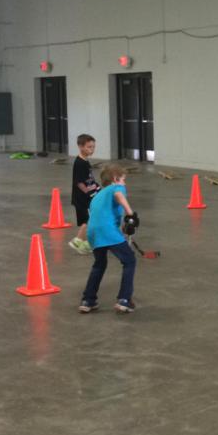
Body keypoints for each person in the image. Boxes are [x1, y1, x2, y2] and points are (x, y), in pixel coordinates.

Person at [80, 164, 138, 314]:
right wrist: (130, 214)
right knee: (129, 260)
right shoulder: (116, 188)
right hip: (107, 231)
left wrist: (122, 228)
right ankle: (124, 299)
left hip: (93, 233)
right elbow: (119, 195)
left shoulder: (98, 196)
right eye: (123, 180)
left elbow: (103, 216)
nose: (124, 183)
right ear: (115, 179)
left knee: (99, 264)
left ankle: (88, 300)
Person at [69, 134, 100, 254]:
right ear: (80, 147)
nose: (92, 149)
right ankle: (78, 241)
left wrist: (97, 188)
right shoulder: (80, 163)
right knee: (89, 221)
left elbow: (89, 179)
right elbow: (79, 183)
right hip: (82, 199)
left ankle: (81, 242)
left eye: (93, 147)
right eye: (89, 147)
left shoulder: (85, 162)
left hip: (87, 197)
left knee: (88, 221)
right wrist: (90, 193)